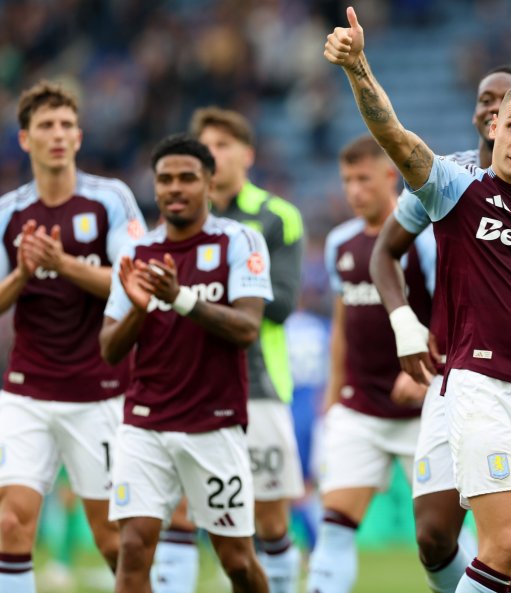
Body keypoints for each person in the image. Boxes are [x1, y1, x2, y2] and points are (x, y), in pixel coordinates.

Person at [324, 9, 511, 593]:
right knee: (502, 543)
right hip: (478, 385)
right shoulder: (455, 185)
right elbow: (392, 133)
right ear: (493, 125)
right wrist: (358, 66)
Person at [134, 107, 305, 593]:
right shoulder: (181, 220)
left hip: (259, 383)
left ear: (246, 155)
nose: (217, 156)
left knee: (269, 519)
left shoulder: (275, 217)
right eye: (207, 147)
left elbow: (283, 304)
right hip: (188, 383)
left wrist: (200, 292)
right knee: (183, 513)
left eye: (224, 146)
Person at [99, 133, 273, 593]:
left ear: (210, 183)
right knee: (133, 548)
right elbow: (110, 349)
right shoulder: (137, 254)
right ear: (154, 187)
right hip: (145, 424)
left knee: (237, 561)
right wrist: (139, 307)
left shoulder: (241, 240)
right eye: (165, 179)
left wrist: (178, 298)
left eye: (187, 178)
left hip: (213, 424)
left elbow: (247, 329)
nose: (175, 187)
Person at [0, 80, 146, 593]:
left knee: (112, 539)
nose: (57, 134)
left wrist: (59, 264)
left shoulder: (112, 199)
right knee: (11, 523)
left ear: (79, 137)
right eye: (46, 126)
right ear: (25, 139)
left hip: (99, 391)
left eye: (66, 125)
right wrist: (22, 273)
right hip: (26, 392)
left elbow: (133, 284)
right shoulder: (9, 212)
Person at [306, 135, 436, 593]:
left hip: (424, 409)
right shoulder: (340, 242)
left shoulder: (424, 237)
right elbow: (343, 325)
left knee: (439, 538)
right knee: (336, 522)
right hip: (358, 406)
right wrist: (332, 395)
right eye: (347, 181)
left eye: (363, 179)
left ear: (389, 177)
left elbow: (452, 311)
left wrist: (427, 375)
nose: (354, 190)